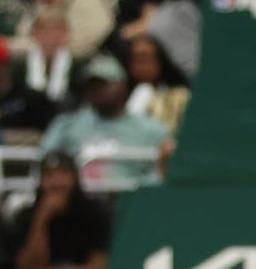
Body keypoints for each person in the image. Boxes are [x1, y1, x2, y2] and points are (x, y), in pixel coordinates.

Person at [39, 55, 170, 190]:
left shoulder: (153, 130)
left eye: (102, 85)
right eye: (91, 86)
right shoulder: (67, 125)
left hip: (132, 201)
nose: (95, 91)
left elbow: (162, 172)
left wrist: (135, 190)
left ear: (122, 86)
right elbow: (45, 161)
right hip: (80, 202)